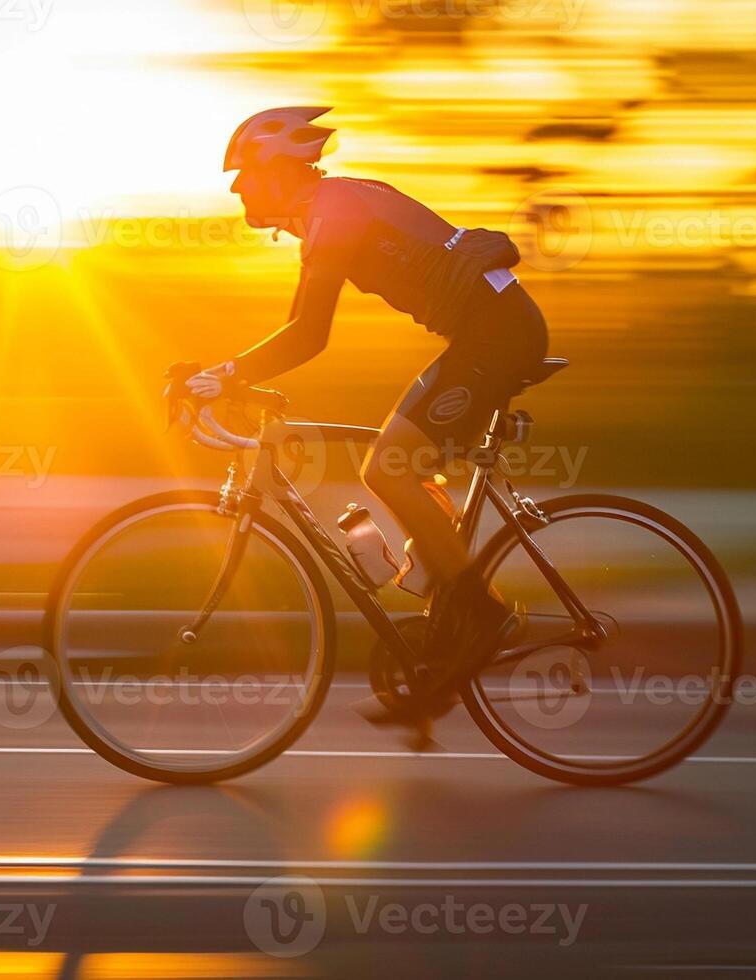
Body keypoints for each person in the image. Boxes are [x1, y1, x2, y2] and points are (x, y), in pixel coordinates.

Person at [189, 106, 550, 736]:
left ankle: (481, 620)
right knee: (403, 476)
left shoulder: (335, 211)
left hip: (496, 337)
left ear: (278, 170)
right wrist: (228, 371)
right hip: (485, 334)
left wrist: (223, 375)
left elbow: (308, 334)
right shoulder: (333, 207)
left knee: (386, 468)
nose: (236, 187)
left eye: (244, 172)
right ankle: (444, 647)